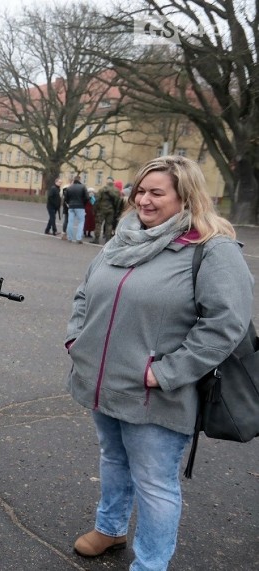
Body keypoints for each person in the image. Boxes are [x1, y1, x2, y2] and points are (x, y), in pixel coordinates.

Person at [66, 155, 253, 570]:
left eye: (156, 193)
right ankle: (110, 528)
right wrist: (76, 340)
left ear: (185, 197)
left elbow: (227, 324)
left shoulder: (210, 249)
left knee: (154, 482)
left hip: (156, 393)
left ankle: (151, 563)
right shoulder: (123, 239)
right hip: (103, 380)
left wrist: (166, 372)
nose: (144, 201)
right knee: (113, 460)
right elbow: (85, 293)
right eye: (140, 191)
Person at [93, 177, 121, 244]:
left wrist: (95, 209)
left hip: (101, 210)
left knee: (98, 224)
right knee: (109, 225)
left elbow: (97, 200)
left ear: (107, 182)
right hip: (111, 210)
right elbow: (118, 202)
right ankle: (107, 240)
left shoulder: (102, 189)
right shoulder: (117, 191)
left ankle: (96, 239)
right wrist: (117, 211)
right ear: (113, 182)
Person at [64, 176, 87, 243]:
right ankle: (78, 238)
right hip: (80, 206)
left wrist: (69, 203)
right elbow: (87, 197)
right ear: (80, 180)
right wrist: (83, 203)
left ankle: (69, 237)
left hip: (71, 206)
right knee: (81, 222)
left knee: (70, 222)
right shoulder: (83, 187)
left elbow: (66, 199)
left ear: (74, 180)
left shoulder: (69, 188)